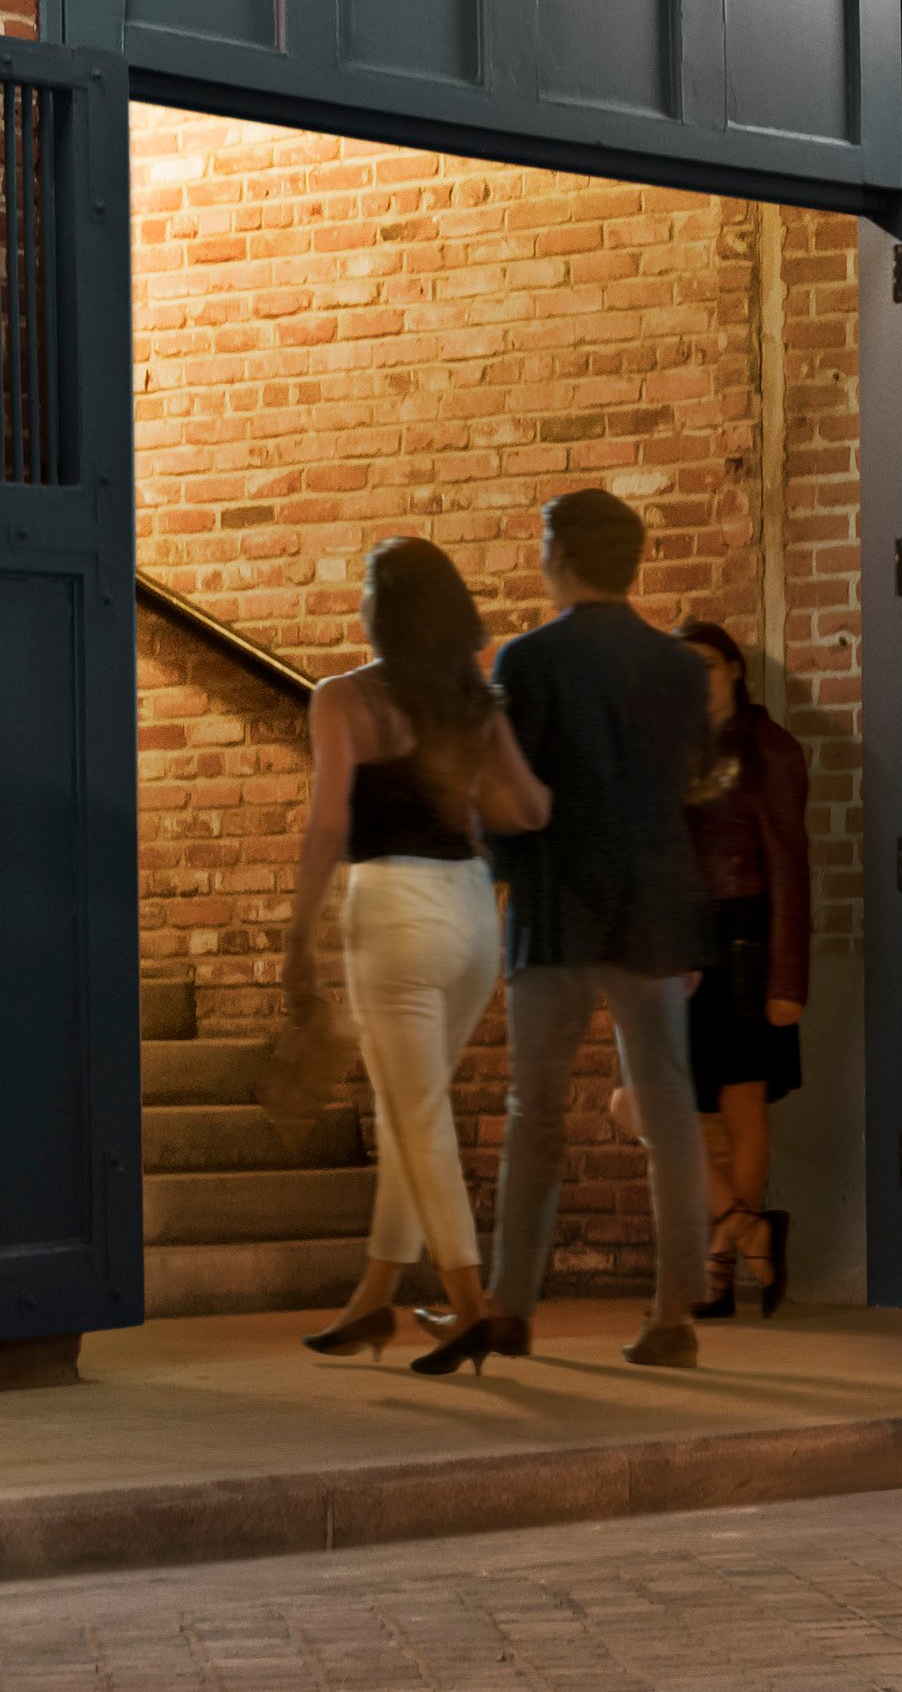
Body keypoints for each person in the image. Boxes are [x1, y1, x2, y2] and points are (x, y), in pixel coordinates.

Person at [285, 538, 552, 1375]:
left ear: (383, 609)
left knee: (416, 1112)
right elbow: (530, 809)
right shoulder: (477, 704)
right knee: (412, 1104)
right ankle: (374, 1297)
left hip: (393, 912)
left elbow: (330, 824)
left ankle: (472, 1307)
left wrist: (297, 938)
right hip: (471, 913)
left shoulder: (343, 699)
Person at [483, 490, 716, 1369]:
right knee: (670, 1115)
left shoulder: (529, 659)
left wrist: (499, 874)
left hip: (556, 911)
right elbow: (688, 790)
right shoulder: (681, 667)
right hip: (654, 910)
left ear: (563, 555)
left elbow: (510, 794)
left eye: (546, 542)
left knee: (535, 1116)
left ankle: (511, 1308)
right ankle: (675, 1315)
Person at [671, 621, 809, 1319]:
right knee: (665, 1107)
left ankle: (718, 1273)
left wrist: (789, 981)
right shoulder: (676, 749)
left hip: (746, 944)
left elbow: (789, 866)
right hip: (687, 947)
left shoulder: (770, 748)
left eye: (702, 664)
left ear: (732, 669)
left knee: (742, 1110)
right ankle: (748, 1228)